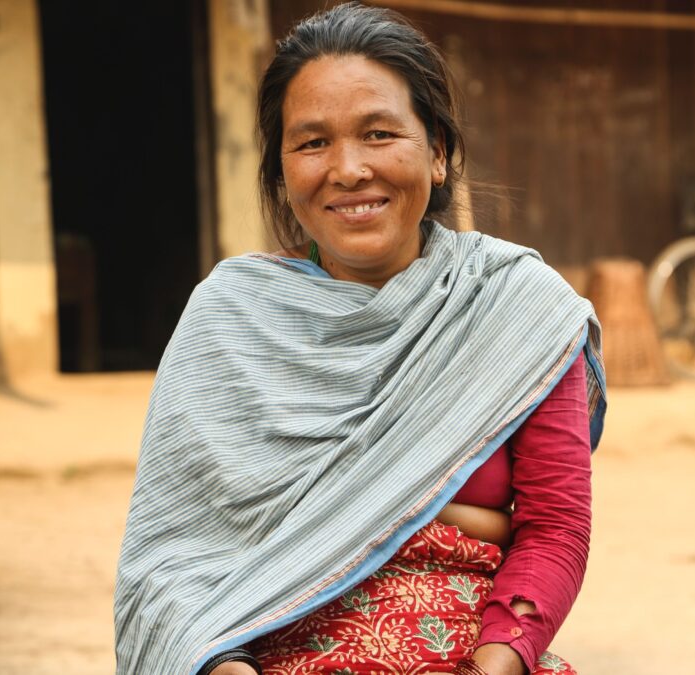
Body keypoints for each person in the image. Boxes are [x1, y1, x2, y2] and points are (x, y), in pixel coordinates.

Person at [114, 3, 606, 675]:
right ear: (283, 174)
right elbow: (173, 560)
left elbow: (553, 529)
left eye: (378, 134)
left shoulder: (518, 309)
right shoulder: (229, 321)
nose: (347, 169)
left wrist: (501, 659)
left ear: (436, 153)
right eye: (313, 143)